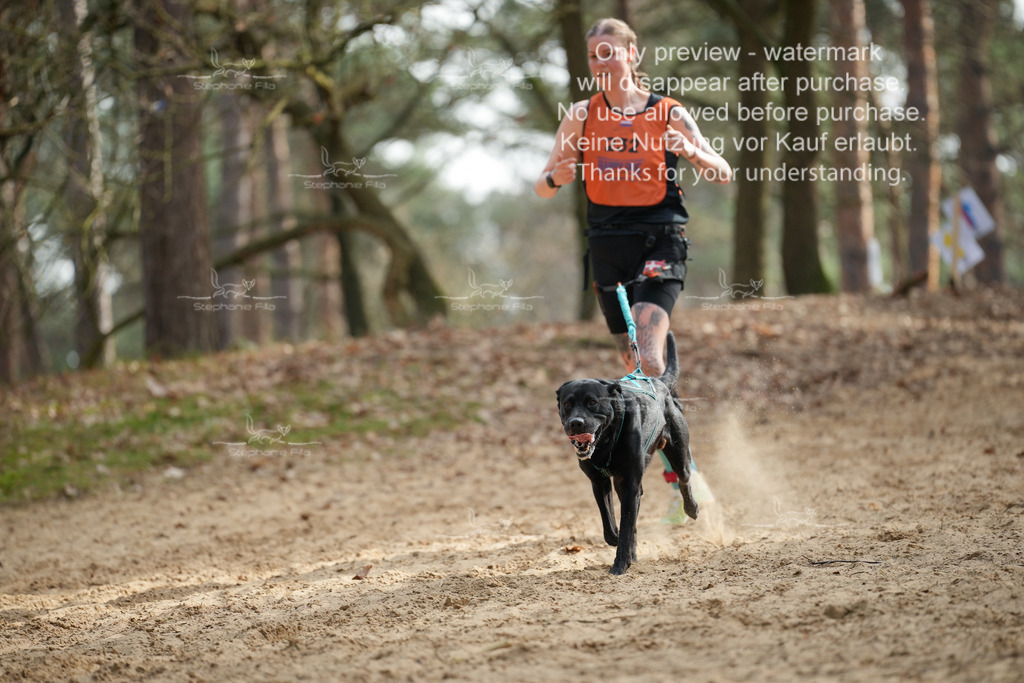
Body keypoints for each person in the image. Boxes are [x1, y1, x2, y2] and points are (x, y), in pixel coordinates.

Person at [535, 17, 731, 522]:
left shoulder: (667, 112)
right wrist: (556, 175)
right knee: (631, 364)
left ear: (632, 54)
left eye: (609, 52)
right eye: (593, 55)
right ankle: (685, 468)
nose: (600, 62)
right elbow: (543, 183)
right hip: (607, 246)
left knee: (649, 362)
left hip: (661, 237)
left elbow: (722, 169)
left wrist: (692, 153)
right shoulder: (581, 115)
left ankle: (678, 481)